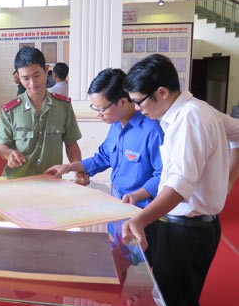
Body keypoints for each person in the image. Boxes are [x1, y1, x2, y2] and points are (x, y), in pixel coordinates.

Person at [121, 54, 239, 306]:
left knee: (176, 303)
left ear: (161, 92)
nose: (139, 110)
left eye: (139, 102)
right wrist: (227, 180)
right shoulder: (196, 110)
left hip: (187, 230)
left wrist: (141, 218)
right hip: (185, 226)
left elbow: (178, 186)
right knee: (167, 295)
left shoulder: (190, 118)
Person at [45, 68, 164, 263]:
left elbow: (162, 175)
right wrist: (68, 167)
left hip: (140, 217)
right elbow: (102, 158)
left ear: (123, 102)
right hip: (116, 210)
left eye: (102, 108)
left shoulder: (151, 131)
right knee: (117, 262)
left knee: (138, 271)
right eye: (96, 108)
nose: (99, 114)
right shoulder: (116, 127)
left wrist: (138, 194)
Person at [0, 47, 82, 178]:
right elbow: (2, 146)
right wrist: (9, 153)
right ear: (18, 77)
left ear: (46, 70)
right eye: (25, 78)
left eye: (36, 75)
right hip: (17, 181)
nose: (32, 83)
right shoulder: (10, 110)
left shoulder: (63, 106)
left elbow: (71, 144)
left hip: (50, 181)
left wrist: (78, 170)